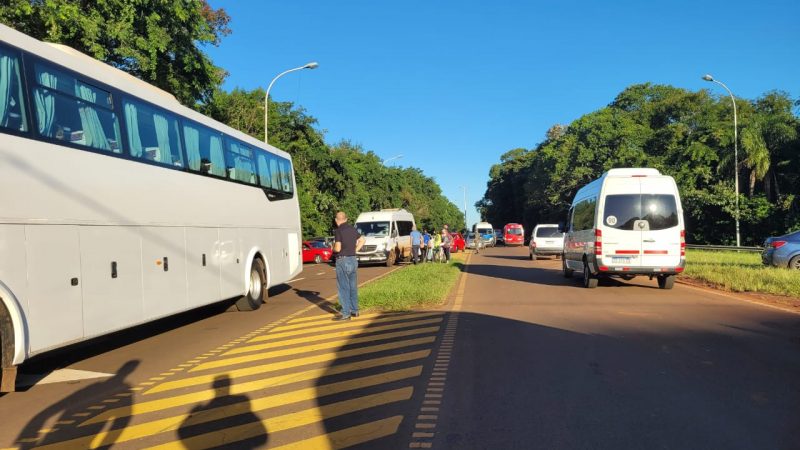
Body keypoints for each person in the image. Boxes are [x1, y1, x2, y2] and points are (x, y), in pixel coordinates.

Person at [332, 211, 365, 321]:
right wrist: (355, 250)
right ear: (346, 219)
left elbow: (337, 248)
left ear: (337, 220)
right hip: (353, 259)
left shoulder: (338, 231)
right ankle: (355, 310)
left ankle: (346, 313)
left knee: (343, 287)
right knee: (353, 287)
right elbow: (362, 240)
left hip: (342, 260)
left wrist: (332, 248)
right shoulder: (353, 229)